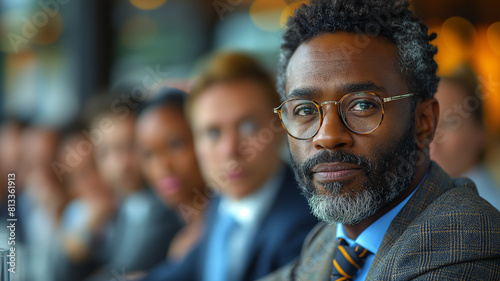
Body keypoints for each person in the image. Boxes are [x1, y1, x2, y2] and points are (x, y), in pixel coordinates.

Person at [260, 0, 500, 280]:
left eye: (362, 105)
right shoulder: (331, 239)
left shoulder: (467, 244)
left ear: (423, 122)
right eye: (305, 110)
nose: (327, 136)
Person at [142, 52, 318, 281]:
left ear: (279, 126)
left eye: (248, 126)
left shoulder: (306, 226)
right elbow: (190, 268)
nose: (230, 149)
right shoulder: (221, 201)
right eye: (213, 132)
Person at [81, 92, 182, 280]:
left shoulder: (168, 206)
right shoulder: (121, 206)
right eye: (105, 152)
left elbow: (126, 271)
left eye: (130, 146)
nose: (120, 164)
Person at [136, 87, 207, 260]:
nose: (163, 166)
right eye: (149, 154)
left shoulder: (231, 226)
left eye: (175, 145)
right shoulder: (174, 235)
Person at [430, 66, 500, 210]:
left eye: (450, 122)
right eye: (426, 123)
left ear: (480, 132)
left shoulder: (488, 210)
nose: (433, 138)